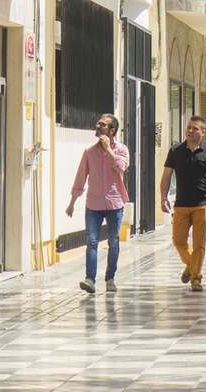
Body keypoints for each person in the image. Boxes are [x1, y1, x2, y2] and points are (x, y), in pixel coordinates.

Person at [159, 116, 206, 292]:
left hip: (202, 204)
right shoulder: (175, 150)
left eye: (195, 128)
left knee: (199, 244)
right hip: (181, 204)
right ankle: (191, 266)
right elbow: (166, 176)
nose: (190, 131)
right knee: (178, 241)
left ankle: (196, 278)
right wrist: (163, 198)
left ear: (203, 132)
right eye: (189, 127)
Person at [66, 114, 129, 294]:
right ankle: (90, 280)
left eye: (103, 125)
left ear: (112, 131)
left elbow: (121, 167)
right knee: (92, 242)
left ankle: (110, 278)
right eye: (98, 123)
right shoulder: (89, 152)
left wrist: (108, 149)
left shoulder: (122, 149)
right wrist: (72, 203)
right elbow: (80, 178)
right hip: (93, 204)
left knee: (113, 241)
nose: (98, 126)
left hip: (115, 203)